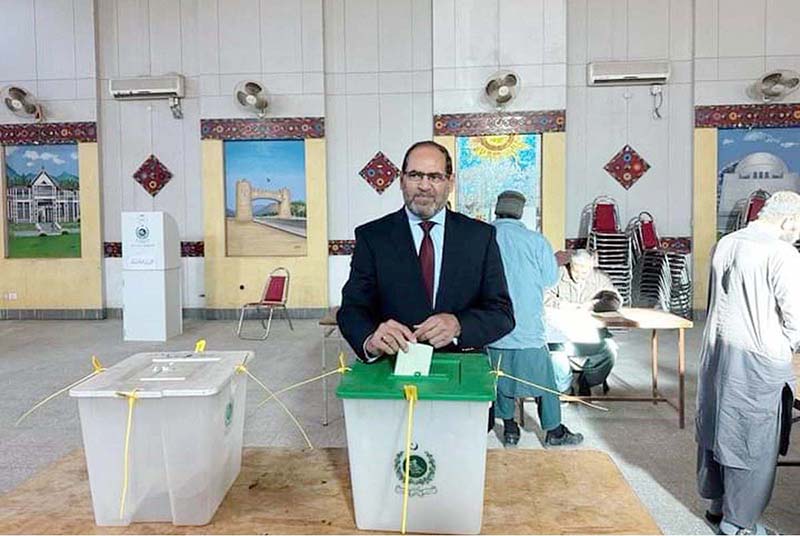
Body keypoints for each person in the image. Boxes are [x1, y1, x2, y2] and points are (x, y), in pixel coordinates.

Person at [337, 140, 515, 363]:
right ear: (401, 181)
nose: (424, 185)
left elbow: (502, 314)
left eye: (435, 177)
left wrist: (459, 325)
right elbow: (352, 309)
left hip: (461, 369)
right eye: (415, 175)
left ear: (450, 183)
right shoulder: (373, 237)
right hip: (392, 369)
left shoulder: (480, 237)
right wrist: (370, 339)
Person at [696, 190, 800, 535]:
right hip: (758, 359)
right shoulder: (782, 252)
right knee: (751, 440)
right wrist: (786, 346)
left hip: (717, 353)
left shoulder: (727, 242)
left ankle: (716, 504)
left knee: (717, 426)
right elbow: (795, 319)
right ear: (788, 221)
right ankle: (738, 523)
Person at [487, 190, 584, 447]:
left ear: (496, 210)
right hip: (528, 325)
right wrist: (556, 262)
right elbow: (548, 280)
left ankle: (509, 429)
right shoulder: (535, 240)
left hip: (493, 325)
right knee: (544, 381)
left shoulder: (483, 237)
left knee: (501, 376)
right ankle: (554, 431)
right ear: (521, 212)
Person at [545, 249, 619, 396]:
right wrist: (562, 305)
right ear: (570, 265)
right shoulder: (558, 274)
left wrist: (594, 305)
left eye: (584, 272)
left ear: (592, 267)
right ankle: (565, 388)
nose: (579, 276)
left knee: (610, 351)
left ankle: (587, 380)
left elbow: (614, 299)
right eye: (576, 271)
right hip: (562, 333)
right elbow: (543, 295)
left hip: (590, 331)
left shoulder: (599, 278)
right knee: (556, 355)